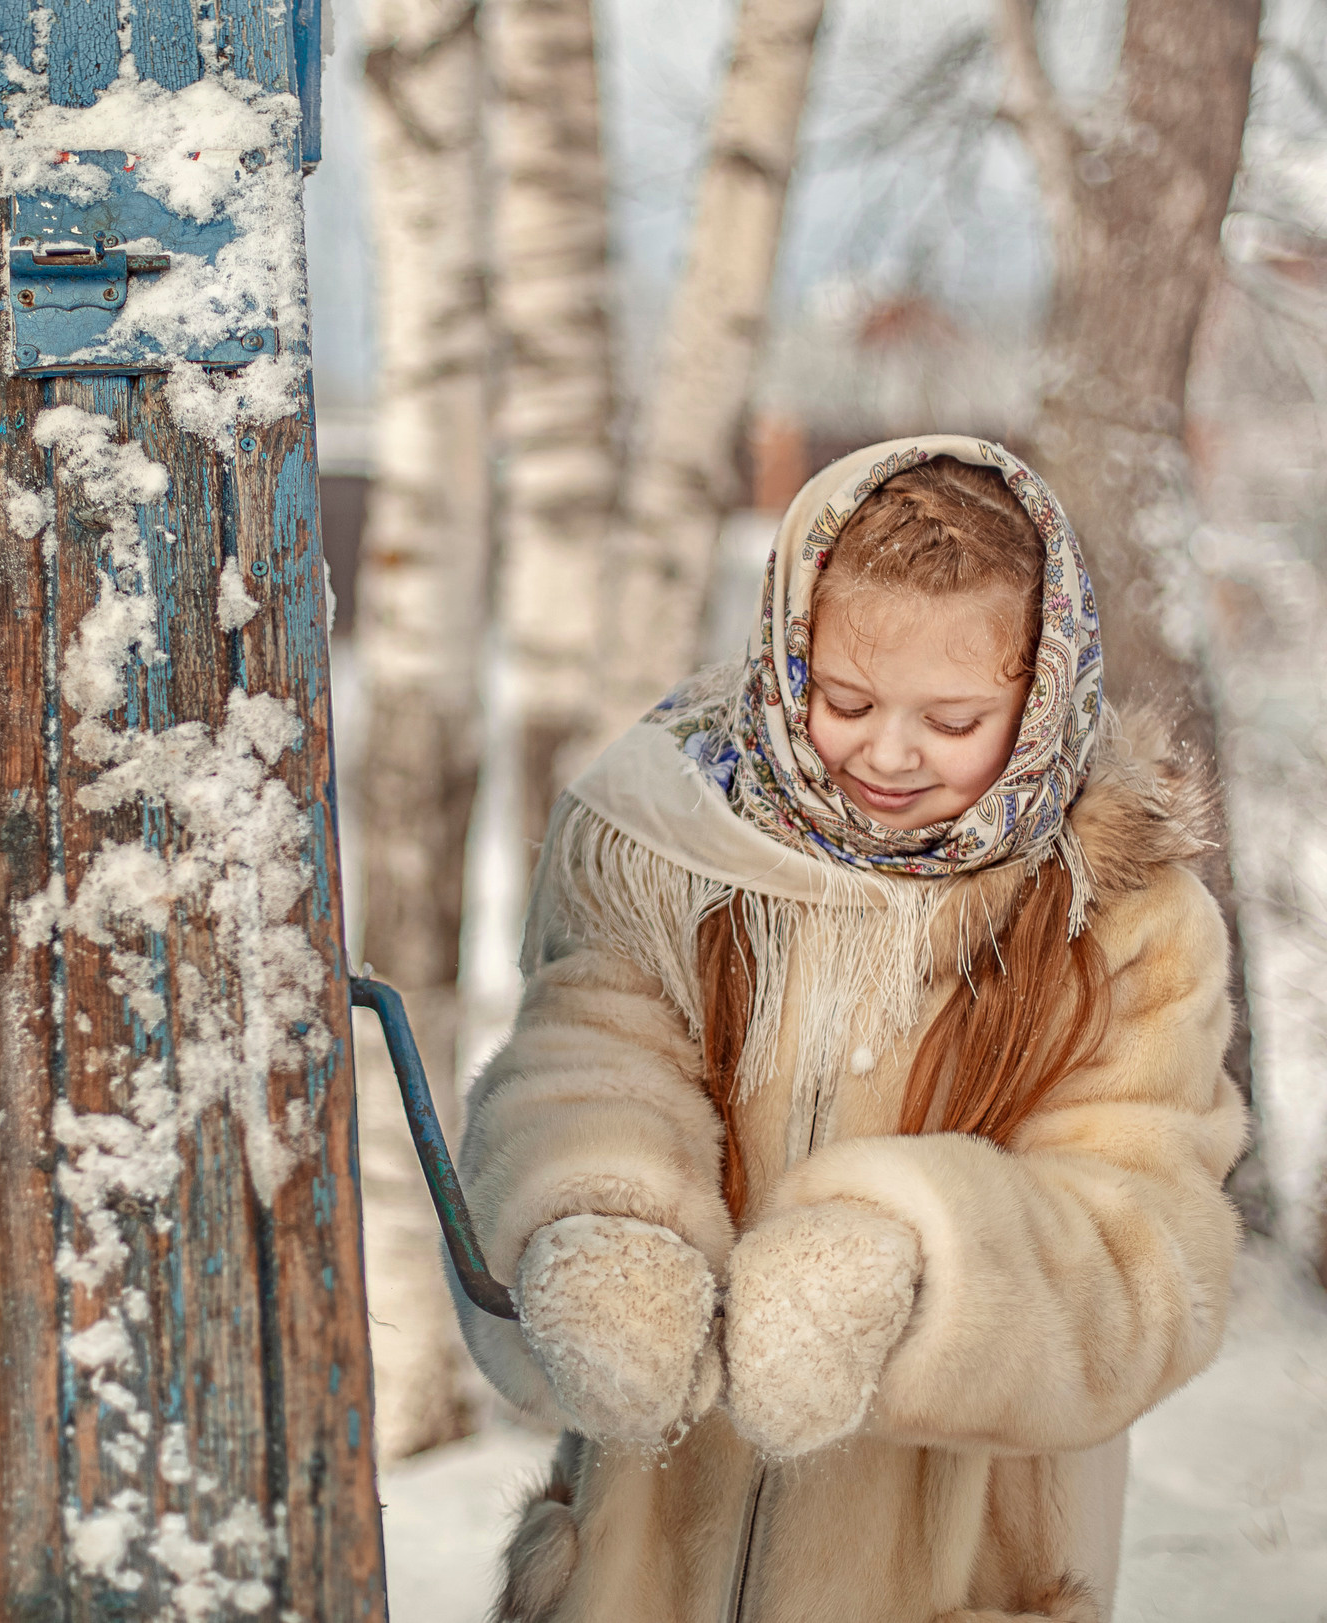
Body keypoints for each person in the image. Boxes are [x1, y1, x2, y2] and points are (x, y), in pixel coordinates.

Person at [453, 436, 1247, 1622]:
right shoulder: (660, 843)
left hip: (949, 1568)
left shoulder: (1119, 921)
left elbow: (1148, 1249)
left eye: (955, 717)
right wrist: (595, 1216)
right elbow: (590, 1046)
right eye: (846, 698)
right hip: (643, 1563)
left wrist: (912, 1270)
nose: (887, 753)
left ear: (1039, 696)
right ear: (786, 658)